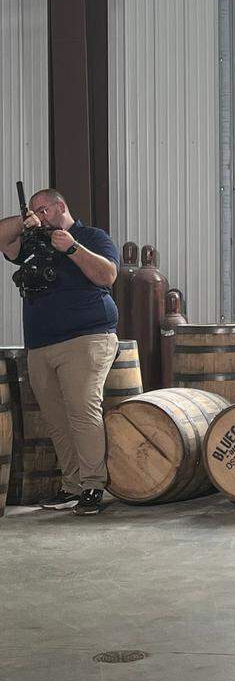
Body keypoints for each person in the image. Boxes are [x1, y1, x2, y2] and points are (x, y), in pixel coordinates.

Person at [1, 188, 120, 515]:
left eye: (43, 209)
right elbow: (2, 237)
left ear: (61, 206)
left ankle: (93, 485)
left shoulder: (91, 236)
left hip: (86, 338)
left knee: (82, 410)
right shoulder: (31, 242)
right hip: (40, 344)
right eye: (33, 211)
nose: (38, 216)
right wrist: (23, 222)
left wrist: (72, 248)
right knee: (56, 418)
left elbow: (107, 275)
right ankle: (72, 485)